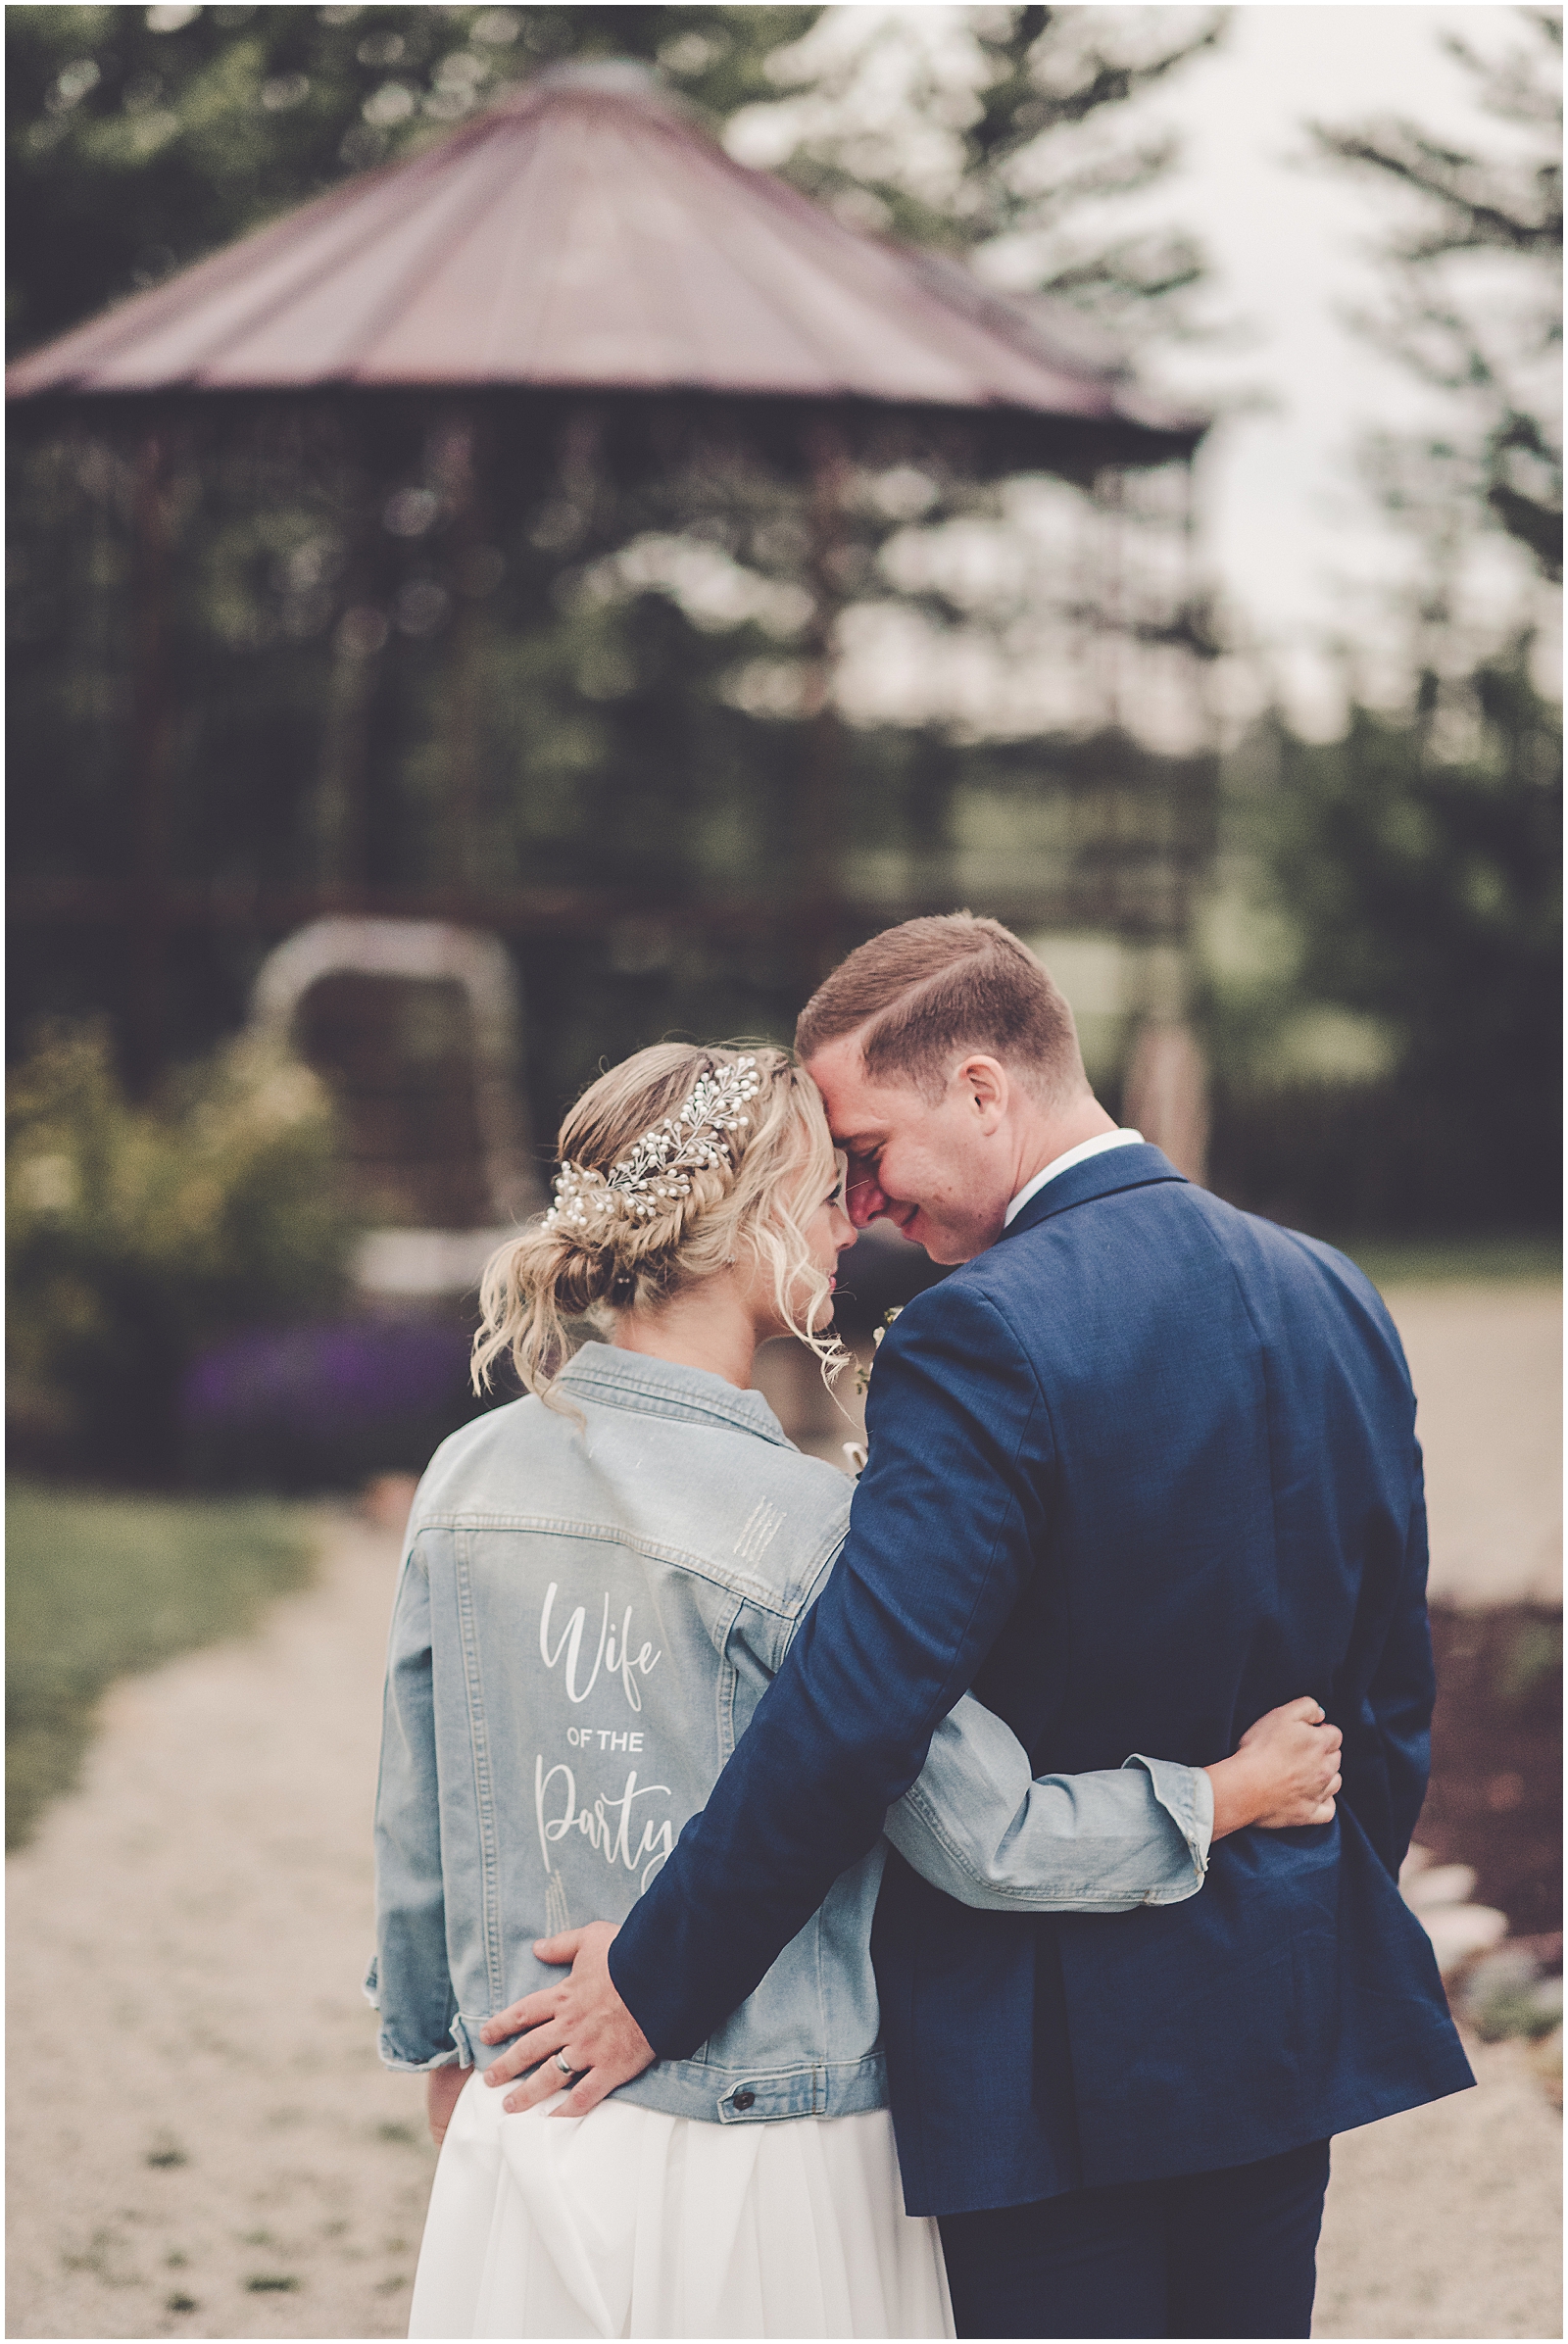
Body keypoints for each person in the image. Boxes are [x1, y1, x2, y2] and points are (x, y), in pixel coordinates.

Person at [488, 918, 1476, 2342]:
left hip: (1046, 2054)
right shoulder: (1332, 1289)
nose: (866, 1203)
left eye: (871, 1153)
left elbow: (859, 1705)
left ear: (981, 1088)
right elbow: (1388, 1691)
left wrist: (656, 1981)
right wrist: (1316, 1921)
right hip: (1277, 2008)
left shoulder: (983, 1331)